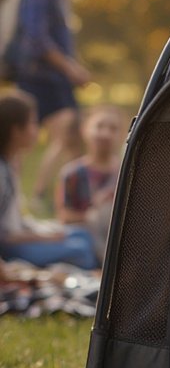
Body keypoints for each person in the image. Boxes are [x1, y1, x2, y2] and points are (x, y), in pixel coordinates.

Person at [10, 0, 91, 205]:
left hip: (55, 79)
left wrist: (73, 67)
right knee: (19, 143)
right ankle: (21, 200)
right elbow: (37, 41)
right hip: (38, 79)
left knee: (71, 137)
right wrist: (71, 69)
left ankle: (47, 196)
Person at [0, 91, 98, 270]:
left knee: (83, 234)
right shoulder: (2, 173)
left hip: (21, 235)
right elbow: (5, 235)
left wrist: (48, 229)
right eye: (32, 123)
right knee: (81, 249)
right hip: (12, 248)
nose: (37, 129)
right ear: (15, 131)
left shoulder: (10, 165)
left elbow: (15, 220)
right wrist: (45, 237)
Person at [55, 104, 124, 262]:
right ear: (85, 130)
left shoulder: (126, 172)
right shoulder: (72, 173)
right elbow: (64, 216)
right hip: (88, 242)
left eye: (113, 128)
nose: (105, 133)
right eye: (99, 126)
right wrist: (92, 213)